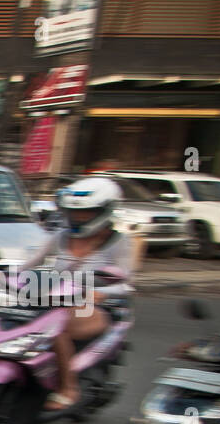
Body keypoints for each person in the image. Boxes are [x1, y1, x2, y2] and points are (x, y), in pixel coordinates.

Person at [18, 176, 134, 410]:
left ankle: (68, 388)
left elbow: (126, 283)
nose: (78, 218)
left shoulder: (119, 242)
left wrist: (101, 293)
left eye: (86, 213)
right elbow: (30, 264)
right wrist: (4, 276)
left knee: (55, 328)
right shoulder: (60, 237)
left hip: (96, 308)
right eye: (74, 213)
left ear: (104, 211)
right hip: (54, 300)